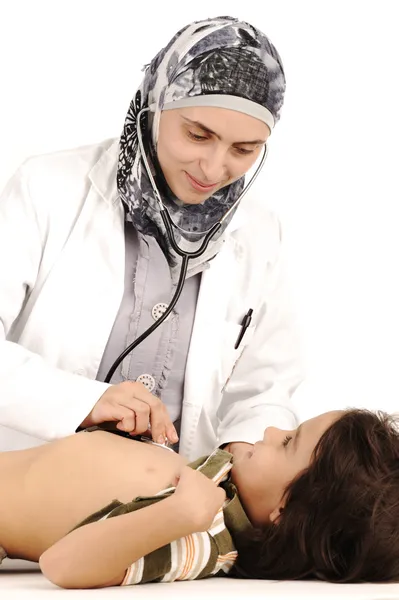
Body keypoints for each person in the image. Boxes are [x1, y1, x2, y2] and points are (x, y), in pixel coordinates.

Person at [0, 15, 303, 461]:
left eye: (244, 150)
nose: (213, 169)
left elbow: (265, 388)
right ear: (155, 106)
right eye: (198, 135)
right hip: (27, 488)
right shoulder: (47, 187)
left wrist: (245, 455)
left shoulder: (260, 235)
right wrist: (82, 402)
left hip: (168, 510)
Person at [1, 408, 399, 588]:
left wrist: (178, 513)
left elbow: (62, 564)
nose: (273, 429)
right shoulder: (221, 485)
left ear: (286, 511)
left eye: (288, 443)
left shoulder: (203, 540)